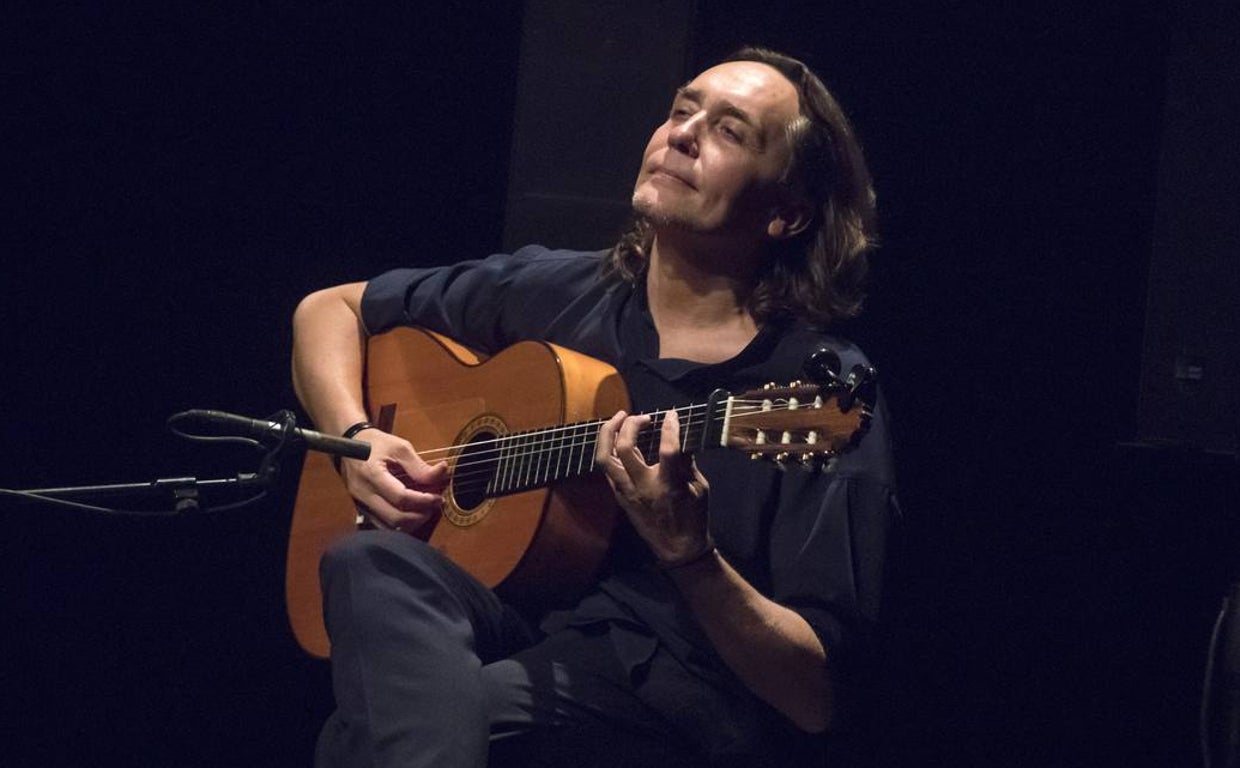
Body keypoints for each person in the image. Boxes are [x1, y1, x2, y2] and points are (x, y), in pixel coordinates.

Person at [291, 46, 898, 767]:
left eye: (731, 131)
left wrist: (691, 556)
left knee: (371, 734)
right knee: (367, 560)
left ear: (787, 215)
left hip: (673, 687)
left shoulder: (820, 389)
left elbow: (816, 696)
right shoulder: (561, 291)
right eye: (681, 110)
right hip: (522, 633)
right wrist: (357, 439)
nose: (682, 134)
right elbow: (329, 310)